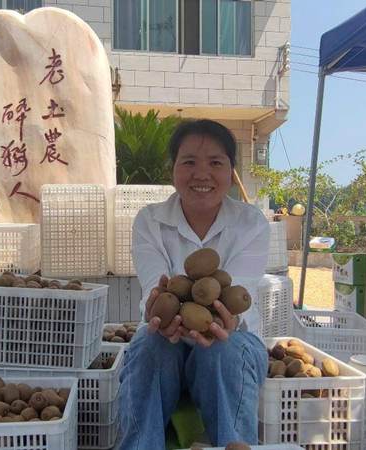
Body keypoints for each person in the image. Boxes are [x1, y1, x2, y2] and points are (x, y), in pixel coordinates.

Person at [117, 119, 270, 449]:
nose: (202, 174)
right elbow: (152, 293)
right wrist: (156, 311)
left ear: (231, 171)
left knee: (224, 349)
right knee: (147, 345)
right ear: (173, 169)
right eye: (189, 162)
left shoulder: (251, 223)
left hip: (235, 340)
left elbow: (237, 296)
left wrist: (221, 322)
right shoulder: (150, 220)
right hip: (168, 339)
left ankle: (235, 443)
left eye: (215, 163)